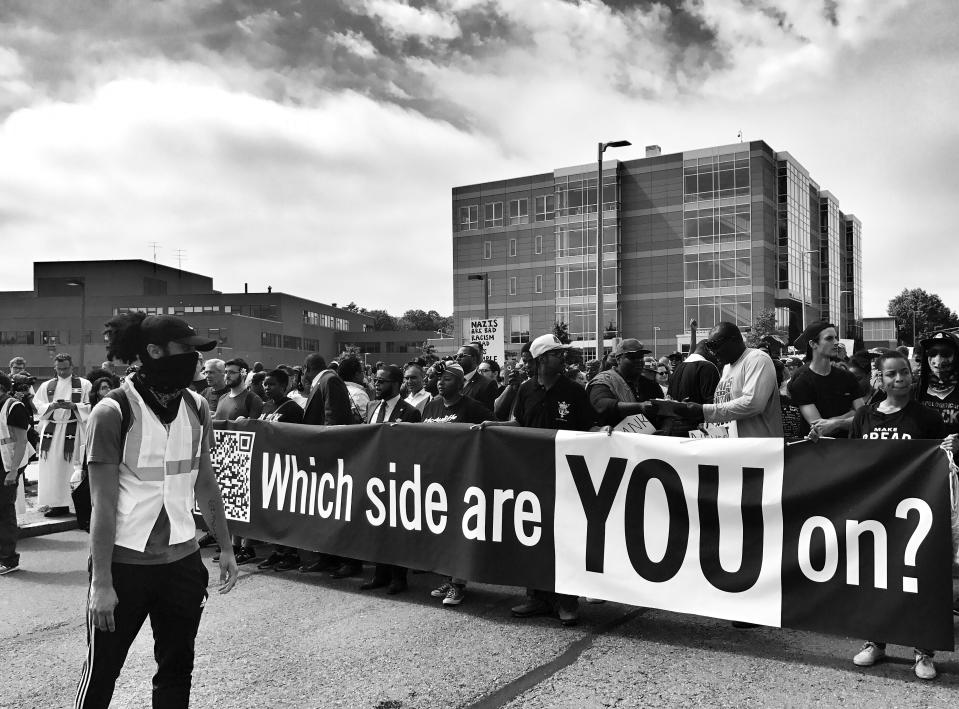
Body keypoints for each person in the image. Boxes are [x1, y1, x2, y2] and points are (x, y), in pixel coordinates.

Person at [75, 313, 237, 709]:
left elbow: (206, 483)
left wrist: (226, 547)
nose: (196, 360)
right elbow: (102, 506)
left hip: (181, 565)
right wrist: (102, 583)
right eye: (187, 350)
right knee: (101, 674)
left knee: (177, 670)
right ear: (153, 351)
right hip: (125, 567)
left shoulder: (197, 407)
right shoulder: (112, 412)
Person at [834, 350, 956, 680]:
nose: (899, 378)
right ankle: (876, 641)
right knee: (876, 579)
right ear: (880, 378)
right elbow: (851, 462)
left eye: (904, 372)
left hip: (917, 512)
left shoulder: (927, 417)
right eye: (891, 374)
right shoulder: (865, 417)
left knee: (920, 578)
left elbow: (939, 464)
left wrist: (951, 448)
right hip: (876, 513)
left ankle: (923, 651)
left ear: (912, 375)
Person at [479, 334, 594, 625]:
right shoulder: (527, 389)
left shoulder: (574, 390)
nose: (563, 358)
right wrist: (493, 427)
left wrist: (603, 432)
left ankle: (567, 601)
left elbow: (588, 425)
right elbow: (519, 422)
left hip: (565, 478)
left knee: (565, 538)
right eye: (557, 354)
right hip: (531, 476)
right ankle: (537, 597)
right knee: (534, 535)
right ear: (543, 359)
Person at [418, 361, 492, 607]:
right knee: (441, 531)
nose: (440, 382)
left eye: (447, 379)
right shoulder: (431, 407)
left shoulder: (472, 407)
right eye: (439, 379)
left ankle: (458, 584)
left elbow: (493, 430)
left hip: (461, 480)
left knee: (459, 532)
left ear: (461, 383)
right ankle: (447, 578)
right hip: (435, 480)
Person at [651, 322, 783, 438]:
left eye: (715, 345)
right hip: (732, 451)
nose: (713, 352)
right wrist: (706, 425)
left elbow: (753, 404)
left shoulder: (757, 359)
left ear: (734, 340)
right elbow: (724, 410)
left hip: (759, 450)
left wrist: (702, 411)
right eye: (709, 347)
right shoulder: (726, 368)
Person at [358, 365, 421, 594]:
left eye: (382, 381)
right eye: (375, 380)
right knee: (376, 526)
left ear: (396, 384)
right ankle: (380, 574)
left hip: (397, 477)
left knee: (396, 529)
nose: (376, 384)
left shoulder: (410, 412)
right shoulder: (372, 406)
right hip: (373, 474)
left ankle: (399, 577)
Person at [299, 353, 354, 574]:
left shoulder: (329, 380)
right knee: (325, 512)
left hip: (331, 458)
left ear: (307, 368)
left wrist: (327, 453)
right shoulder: (322, 381)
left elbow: (333, 419)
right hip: (321, 457)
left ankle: (348, 560)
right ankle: (327, 556)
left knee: (339, 510)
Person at [35, 353, 92, 517]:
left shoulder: (84, 384)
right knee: (52, 468)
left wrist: (74, 405)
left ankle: (76, 503)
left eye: (65, 368)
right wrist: (51, 406)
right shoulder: (47, 385)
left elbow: (91, 404)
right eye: (59, 369)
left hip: (73, 428)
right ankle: (57, 504)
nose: (62, 372)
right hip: (51, 431)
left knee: (72, 468)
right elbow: (38, 405)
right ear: (55, 368)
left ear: (72, 367)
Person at [787, 321, 864, 438]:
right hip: (817, 451)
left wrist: (836, 422)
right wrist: (851, 414)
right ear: (813, 344)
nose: (836, 342)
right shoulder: (802, 382)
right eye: (829, 339)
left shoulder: (848, 377)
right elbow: (821, 429)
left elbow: (864, 418)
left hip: (849, 448)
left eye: (836, 338)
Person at [587, 338, 661, 429]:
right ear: (618, 360)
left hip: (649, 440)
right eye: (632, 357)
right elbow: (602, 405)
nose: (638, 360)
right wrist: (640, 407)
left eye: (640, 356)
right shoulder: (604, 381)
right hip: (615, 439)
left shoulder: (651, 385)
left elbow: (663, 414)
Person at [0, 372, 31, 575]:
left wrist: (12, 472)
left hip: (8, 463)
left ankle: (8, 559)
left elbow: (21, 441)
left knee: (4, 510)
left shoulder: (13, 407)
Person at [664, 341, 720, 437]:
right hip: (699, 430)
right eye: (715, 352)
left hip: (675, 429)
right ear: (709, 350)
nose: (717, 357)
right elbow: (712, 402)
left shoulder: (677, 369)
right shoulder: (708, 367)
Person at [456, 345, 499, 411]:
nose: (457, 358)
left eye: (461, 355)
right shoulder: (453, 381)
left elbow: (489, 413)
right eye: (456, 356)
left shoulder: (487, 384)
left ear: (473, 358)